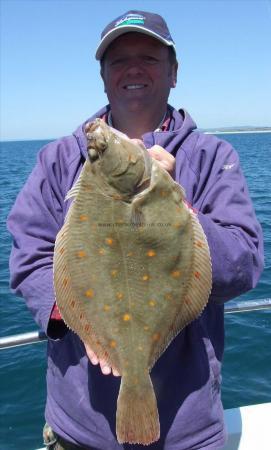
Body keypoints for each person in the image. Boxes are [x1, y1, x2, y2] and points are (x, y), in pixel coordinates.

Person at [7, 10, 264, 450]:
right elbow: (30, 256)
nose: (133, 69)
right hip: (78, 426)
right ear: (104, 77)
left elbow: (242, 265)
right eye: (118, 61)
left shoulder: (213, 156)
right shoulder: (56, 160)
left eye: (148, 57)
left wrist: (176, 206)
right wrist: (76, 319)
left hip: (189, 429)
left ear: (174, 72)